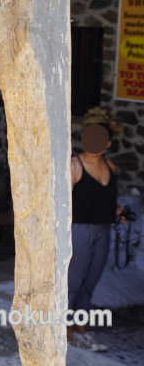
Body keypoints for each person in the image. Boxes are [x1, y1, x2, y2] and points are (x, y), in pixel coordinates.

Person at [68, 113, 127, 351]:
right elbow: (62, 200)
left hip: (103, 230)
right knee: (73, 281)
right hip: (79, 230)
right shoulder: (74, 165)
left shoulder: (110, 166)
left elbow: (107, 200)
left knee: (91, 280)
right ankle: (64, 328)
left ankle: (81, 327)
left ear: (107, 144)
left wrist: (117, 211)